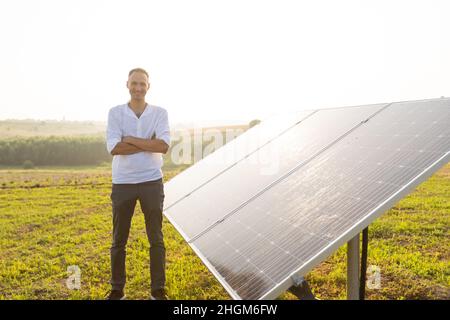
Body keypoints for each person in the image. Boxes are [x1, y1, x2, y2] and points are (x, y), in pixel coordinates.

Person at [105, 68, 170, 300]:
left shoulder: (160, 113)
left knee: (156, 237)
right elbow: (115, 148)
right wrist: (147, 143)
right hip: (123, 183)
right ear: (127, 85)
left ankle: (157, 290)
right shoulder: (115, 113)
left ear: (148, 86)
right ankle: (117, 289)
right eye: (134, 83)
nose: (138, 88)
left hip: (152, 180)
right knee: (118, 239)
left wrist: (130, 139)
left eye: (142, 84)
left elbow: (163, 146)